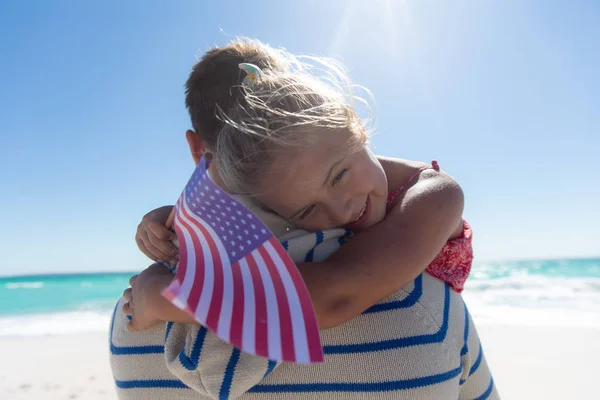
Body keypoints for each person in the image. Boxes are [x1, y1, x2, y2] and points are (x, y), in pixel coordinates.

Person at [109, 38, 498, 399]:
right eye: (305, 212)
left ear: (357, 128)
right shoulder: (311, 179)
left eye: (339, 175)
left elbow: (335, 295)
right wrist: (166, 219)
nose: (340, 211)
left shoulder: (436, 195)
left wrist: (165, 297)